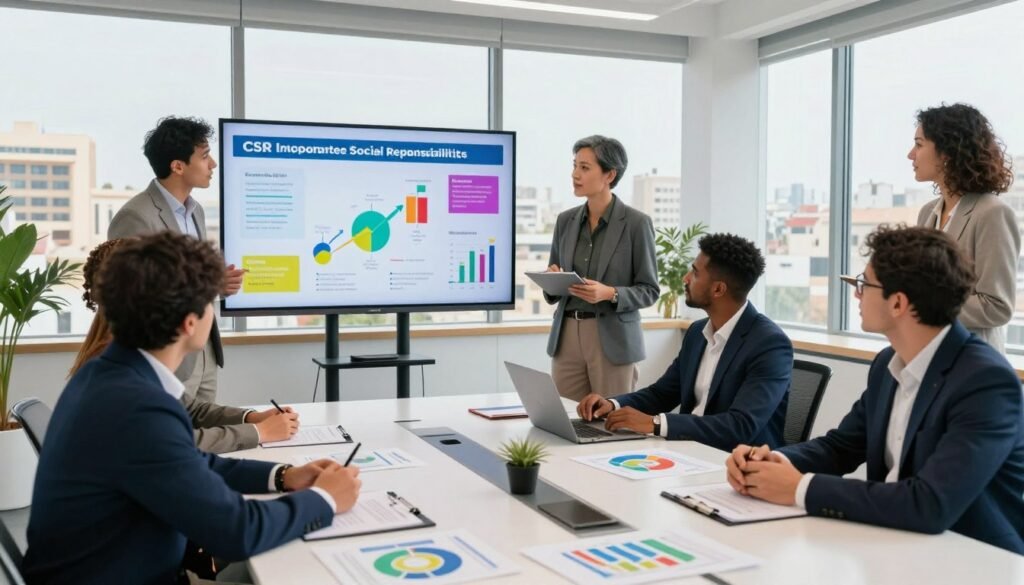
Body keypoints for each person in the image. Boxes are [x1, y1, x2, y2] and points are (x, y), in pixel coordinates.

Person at [23, 232, 362, 584]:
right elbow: (237, 531)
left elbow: (191, 462)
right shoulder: (136, 406)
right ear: (189, 322)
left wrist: (282, 475)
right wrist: (326, 499)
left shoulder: (108, 374)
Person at [726, 225, 1024, 555]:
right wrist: (770, 461)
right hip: (893, 543)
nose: (857, 293)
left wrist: (800, 488)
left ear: (898, 303)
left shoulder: (985, 382)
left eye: (864, 284)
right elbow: (841, 447)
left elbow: (931, 504)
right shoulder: (887, 365)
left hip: (973, 559)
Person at [70, 238, 299, 453]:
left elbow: (189, 409)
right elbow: (172, 444)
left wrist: (253, 418)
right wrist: (259, 432)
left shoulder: (127, 355)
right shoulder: (120, 372)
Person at [577, 233, 793, 452]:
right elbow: (662, 393)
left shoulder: (770, 345)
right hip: (689, 451)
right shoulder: (697, 332)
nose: (686, 278)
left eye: (696, 273)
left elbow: (740, 426)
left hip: (738, 464)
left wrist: (655, 423)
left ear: (718, 289)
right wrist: (613, 405)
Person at [109, 116, 246, 402]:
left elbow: (183, 279)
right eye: (205, 156)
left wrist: (213, 284)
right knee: (173, 439)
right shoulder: (135, 216)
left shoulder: (195, 211)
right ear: (178, 166)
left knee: (203, 436)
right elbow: (132, 296)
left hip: (204, 349)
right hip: (167, 355)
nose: (213, 164)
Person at [544, 135, 659, 401]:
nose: (575, 174)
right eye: (574, 166)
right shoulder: (565, 221)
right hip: (567, 336)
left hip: (613, 339)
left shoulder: (636, 224)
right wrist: (552, 280)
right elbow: (555, 279)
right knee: (565, 421)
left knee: (612, 422)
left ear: (609, 174)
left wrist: (610, 293)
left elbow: (649, 290)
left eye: (585, 168)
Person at [910, 103, 1019, 353]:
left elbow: (996, 307)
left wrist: (922, 306)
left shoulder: (992, 213)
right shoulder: (928, 212)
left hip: (973, 361)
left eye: (919, 144)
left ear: (947, 152)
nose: (910, 155)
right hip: (929, 355)